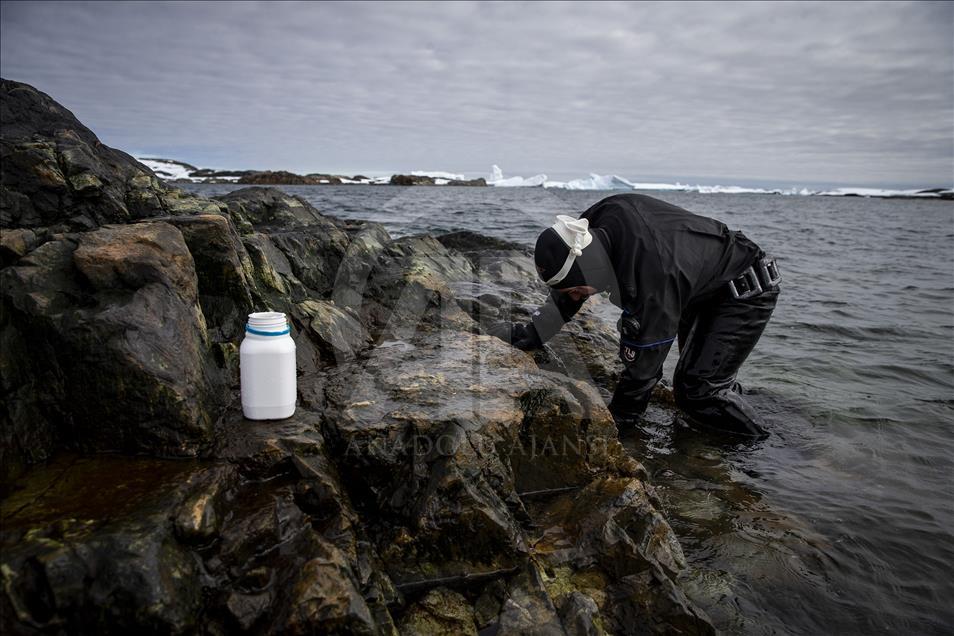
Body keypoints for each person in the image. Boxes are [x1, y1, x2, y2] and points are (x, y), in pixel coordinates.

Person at [489, 193, 781, 438]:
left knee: (698, 391)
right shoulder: (592, 227)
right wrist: (532, 334)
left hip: (742, 289)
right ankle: (739, 406)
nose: (576, 297)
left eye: (579, 290)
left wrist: (616, 428)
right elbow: (567, 291)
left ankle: (762, 448)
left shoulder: (650, 272)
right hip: (698, 284)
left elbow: (644, 369)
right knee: (696, 378)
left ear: (593, 268)